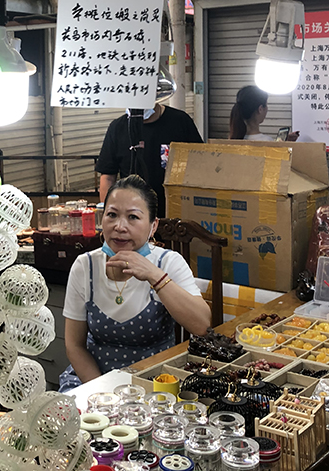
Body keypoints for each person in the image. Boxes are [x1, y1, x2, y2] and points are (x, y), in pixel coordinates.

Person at [59, 175, 210, 391]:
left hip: (153, 382)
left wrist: (155, 276)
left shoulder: (168, 262)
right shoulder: (85, 266)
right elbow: (74, 345)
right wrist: (104, 394)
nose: (120, 226)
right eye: (112, 215)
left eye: (133, 217)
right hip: (94, 380)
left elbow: (202, 325)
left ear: (153, 226)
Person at [96, 103, 203, 218]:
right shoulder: (117, 128)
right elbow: (107, 177)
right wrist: (109, 215)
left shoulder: (180, 121)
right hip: (133, 216)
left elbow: (201, 164)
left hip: (175, 214)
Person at [228, 85, 299, 141]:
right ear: (260, 109)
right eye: (266, 105)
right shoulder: (266, 141)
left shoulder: (232, 141)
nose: (267, 109)